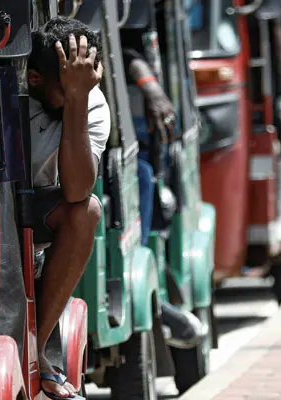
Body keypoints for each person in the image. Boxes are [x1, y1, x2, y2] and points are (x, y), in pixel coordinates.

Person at [26, 17, 108, 399]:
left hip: (41, 216)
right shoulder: (15, 92)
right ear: (34, 80)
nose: (83, 89)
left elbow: (76, 191)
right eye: (68, 84)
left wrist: (77, 97)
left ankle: (34, 349)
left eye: (87, 80)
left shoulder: (88, 98)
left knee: (87, 210)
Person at [121, 43, 205, 350]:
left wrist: (151, 88)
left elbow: (126, 54)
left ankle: (149, 295)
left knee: (140, 174)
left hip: (146, 164)